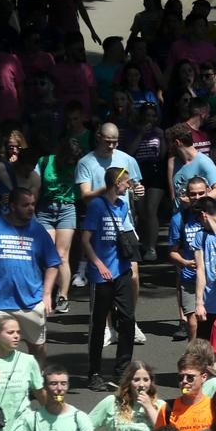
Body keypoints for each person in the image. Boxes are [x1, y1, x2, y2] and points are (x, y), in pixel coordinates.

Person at [80, 165, 140, 389]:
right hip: (102, 275)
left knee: (127, 319)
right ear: (117, 183)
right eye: (126, 182)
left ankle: (122, 369)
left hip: (122, 270)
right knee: (98, 323)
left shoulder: (123, 206)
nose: (129, 185)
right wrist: (98, 264)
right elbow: (85, 240)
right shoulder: (96, 206)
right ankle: (94, 372)